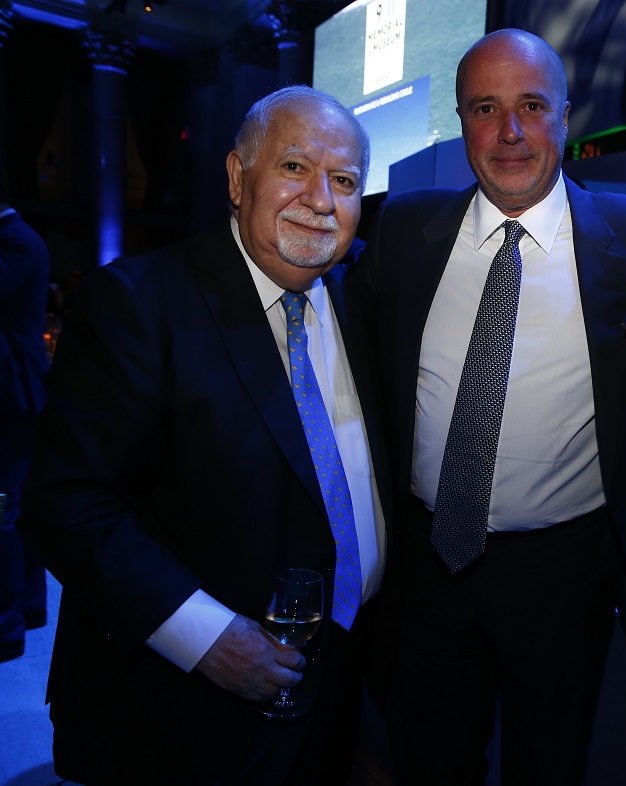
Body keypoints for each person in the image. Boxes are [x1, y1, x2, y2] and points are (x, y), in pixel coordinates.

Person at [361, 27, 626, 786]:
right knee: (428, 758)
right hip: (426, 564)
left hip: (567, 571)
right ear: (461, 121)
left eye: (531, 106)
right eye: (485, 109)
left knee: (549, 761)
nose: (510, 132)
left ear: (565, 115)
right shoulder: (403, 230)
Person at [19, 85, 391, 785]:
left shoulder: (363, 297)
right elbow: (68, 503)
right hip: (177, 709)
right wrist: (207, 637)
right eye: (294, 168)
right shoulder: (138, 304)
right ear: (235, 176)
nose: (320, 199)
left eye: (344, 181)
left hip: (340, 683)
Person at [0, 185, 51, 663]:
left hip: (14, 394)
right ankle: (29, 609)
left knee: (5, 510)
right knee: (15, 507)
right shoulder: (18, 239)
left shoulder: (16, 241)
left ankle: (8, 625)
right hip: (16, 391)